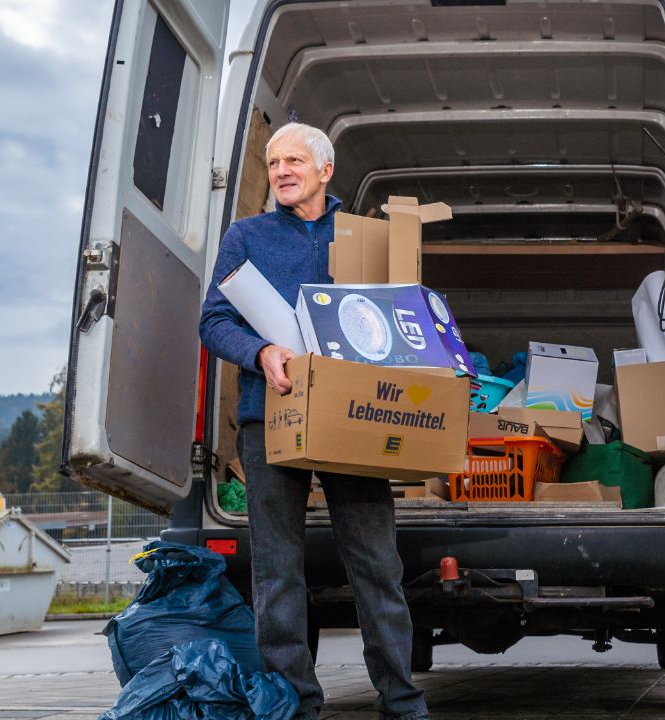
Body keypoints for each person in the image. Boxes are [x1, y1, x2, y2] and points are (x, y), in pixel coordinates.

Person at [197, 122, 429, 720]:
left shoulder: (364, 237)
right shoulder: (245, 237)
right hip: (268, 415)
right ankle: (294, 704)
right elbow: (213, 321)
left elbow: (403, 314)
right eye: (274, 163)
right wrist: (261, 353)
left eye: (294, 160)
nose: (280, 171)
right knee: (277, 572)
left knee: (377, 564)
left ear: (326, 171)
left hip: (353, 417)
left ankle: (401, 699)